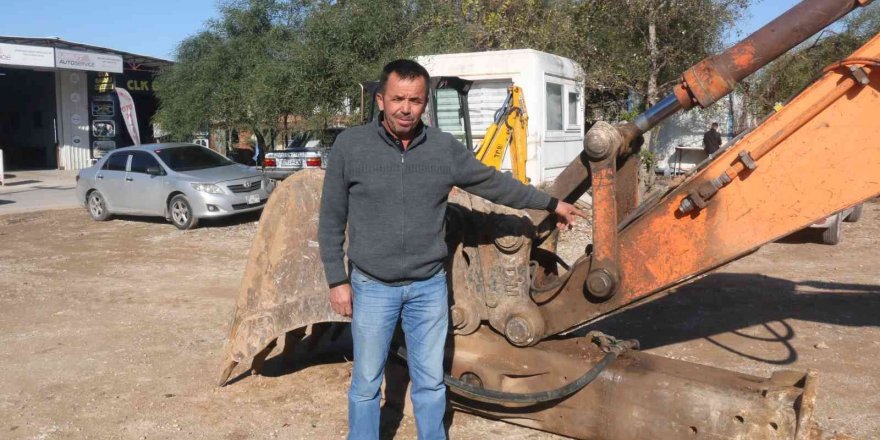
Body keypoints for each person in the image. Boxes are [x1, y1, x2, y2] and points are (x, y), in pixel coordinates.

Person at [318, 59, 585, 440]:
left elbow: (493, 183)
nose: (405, 108)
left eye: (415, 100)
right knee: (365, 383)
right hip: (373, 286)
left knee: (429, 383)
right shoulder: (351, 146)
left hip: (428, 287)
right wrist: (336, 279)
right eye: (397, 99)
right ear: (380, 100)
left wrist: (551, 203)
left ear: (425, 102)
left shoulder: (444, 149)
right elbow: (330, 217)